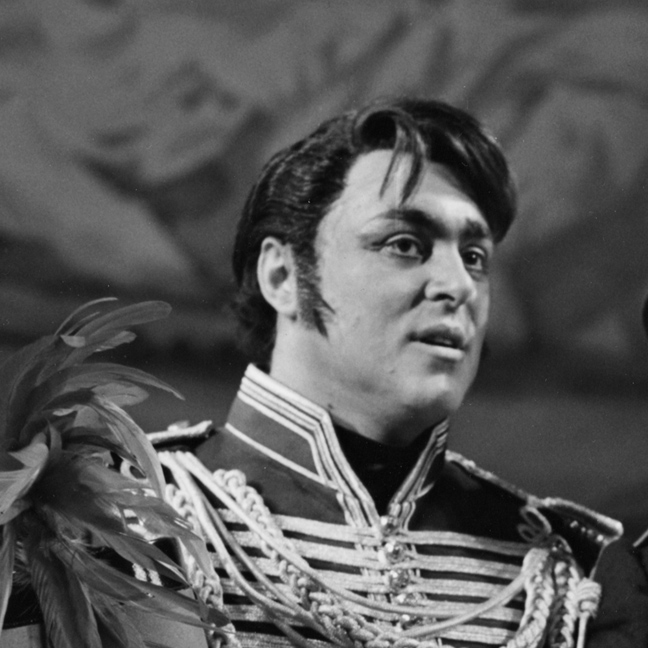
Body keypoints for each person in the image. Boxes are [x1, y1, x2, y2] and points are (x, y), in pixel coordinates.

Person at [157, 97, 648, 648]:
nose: (458, 285)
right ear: (282, 275)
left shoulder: (576, 580)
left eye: (475, 257)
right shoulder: (123, 520)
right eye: (405, 245)